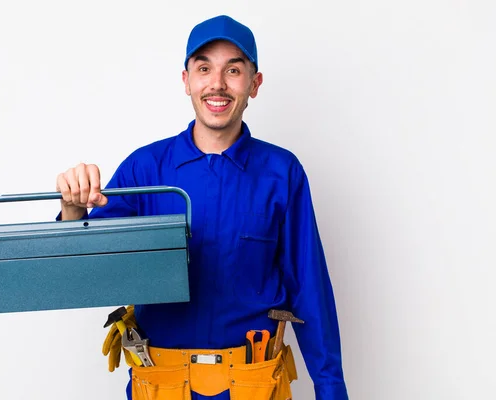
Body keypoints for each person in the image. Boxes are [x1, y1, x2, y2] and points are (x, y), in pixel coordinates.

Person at [56, 15, 348, 400]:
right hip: (161, 384)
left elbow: (309, 288)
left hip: (253, 385)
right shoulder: (145, 169)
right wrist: (73, 211)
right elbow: (80, 272)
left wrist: (331, 390)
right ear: (186, 80)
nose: (217, 84)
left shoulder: (282, 173)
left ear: (254, 84)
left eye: (234, 70)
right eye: (204, 68)